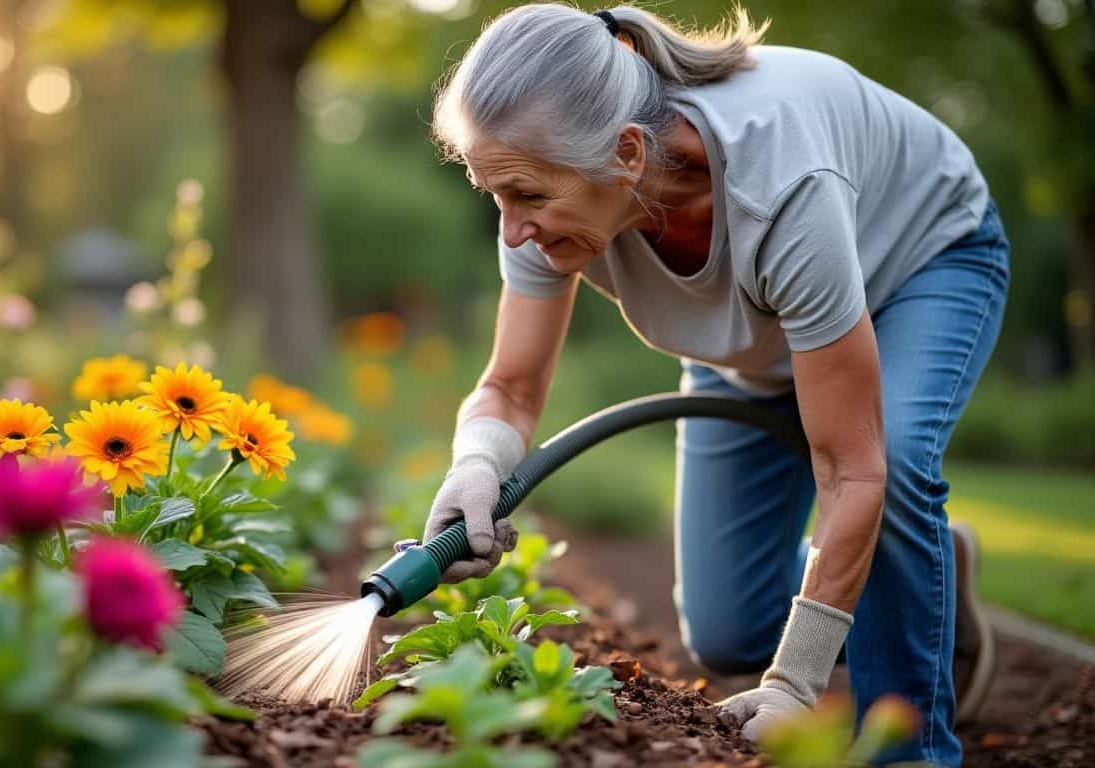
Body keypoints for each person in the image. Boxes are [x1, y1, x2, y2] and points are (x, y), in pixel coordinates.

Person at [420, 4, 1008, 766]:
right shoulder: (545, 191)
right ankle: (931, 568)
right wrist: (474, 467)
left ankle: (910, 750)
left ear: (627, 153)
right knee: (730, 626)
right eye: (493, 193)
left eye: (528, 197)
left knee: (889, 474)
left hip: (919, 261)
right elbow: (511, 387)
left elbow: (849, 466)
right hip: (750, 332)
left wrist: (795, 683)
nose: (511, 230)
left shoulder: (782, 186)